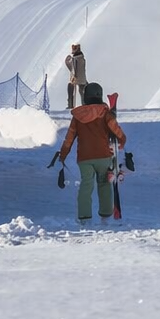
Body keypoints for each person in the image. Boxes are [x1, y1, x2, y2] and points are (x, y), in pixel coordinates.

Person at [56, 81, 127, 226]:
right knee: (104, 184)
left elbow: (69, 138)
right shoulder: (105, 113)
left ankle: (84, 217)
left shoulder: (78, 116)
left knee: (86, 185)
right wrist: (122, 141)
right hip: (103, 156)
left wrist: (63, 155)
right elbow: (116, 130)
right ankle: (105, 217)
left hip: (84, 158)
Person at [64, 43, 87, 110]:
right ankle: (84, 104)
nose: (73, 49)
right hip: (82, 78)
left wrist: (73, 76)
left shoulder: (75, 59)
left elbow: (73, 68)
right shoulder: (82, 57)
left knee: (71, 88)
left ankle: (71, 104)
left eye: (74, 48)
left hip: (76, 78)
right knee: (82, 91)